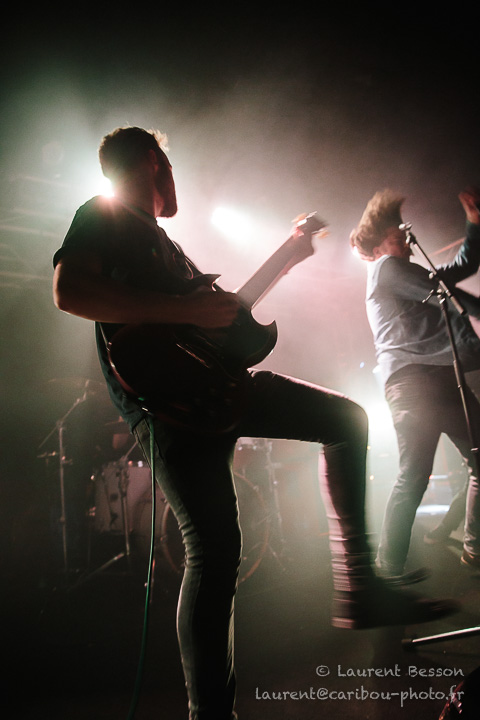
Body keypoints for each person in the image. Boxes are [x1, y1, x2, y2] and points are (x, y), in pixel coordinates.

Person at [53, 127, 457, 720]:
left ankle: (360, 586)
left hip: (219, 389)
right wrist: (185, 307)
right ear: (153, 162)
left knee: (343, 421)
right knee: (213, 554)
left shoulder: (162, 245)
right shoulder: (103, 214)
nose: (174, 179)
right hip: (169, 408)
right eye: (170, 165)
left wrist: (288, 254)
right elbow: (68, 290)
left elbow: (220, 319)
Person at [350, 188, 480, 582]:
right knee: (414, 475)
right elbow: (446, 289)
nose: (406, 243)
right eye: (396, 237)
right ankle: (389, 565)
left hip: (442, 377)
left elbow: (460, 267)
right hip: (411, 381)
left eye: (405, 237)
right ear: (377, 247)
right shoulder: (386, 268)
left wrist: (474, 224)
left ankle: (474, 547)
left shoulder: (409, 273)